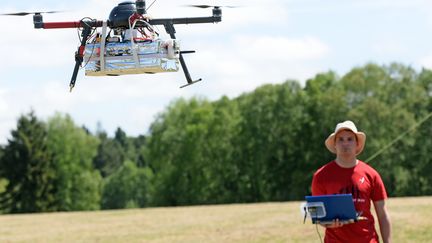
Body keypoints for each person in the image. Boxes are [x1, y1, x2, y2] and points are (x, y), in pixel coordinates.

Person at [311, 120, 392, 243]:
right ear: (334, 144)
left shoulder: (371, 174)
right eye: (341, 139)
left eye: (350, 139)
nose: (345, 144)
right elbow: (318, 215)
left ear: (357, 144)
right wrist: (329, 224)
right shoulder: (321, 176)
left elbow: (383, 214)